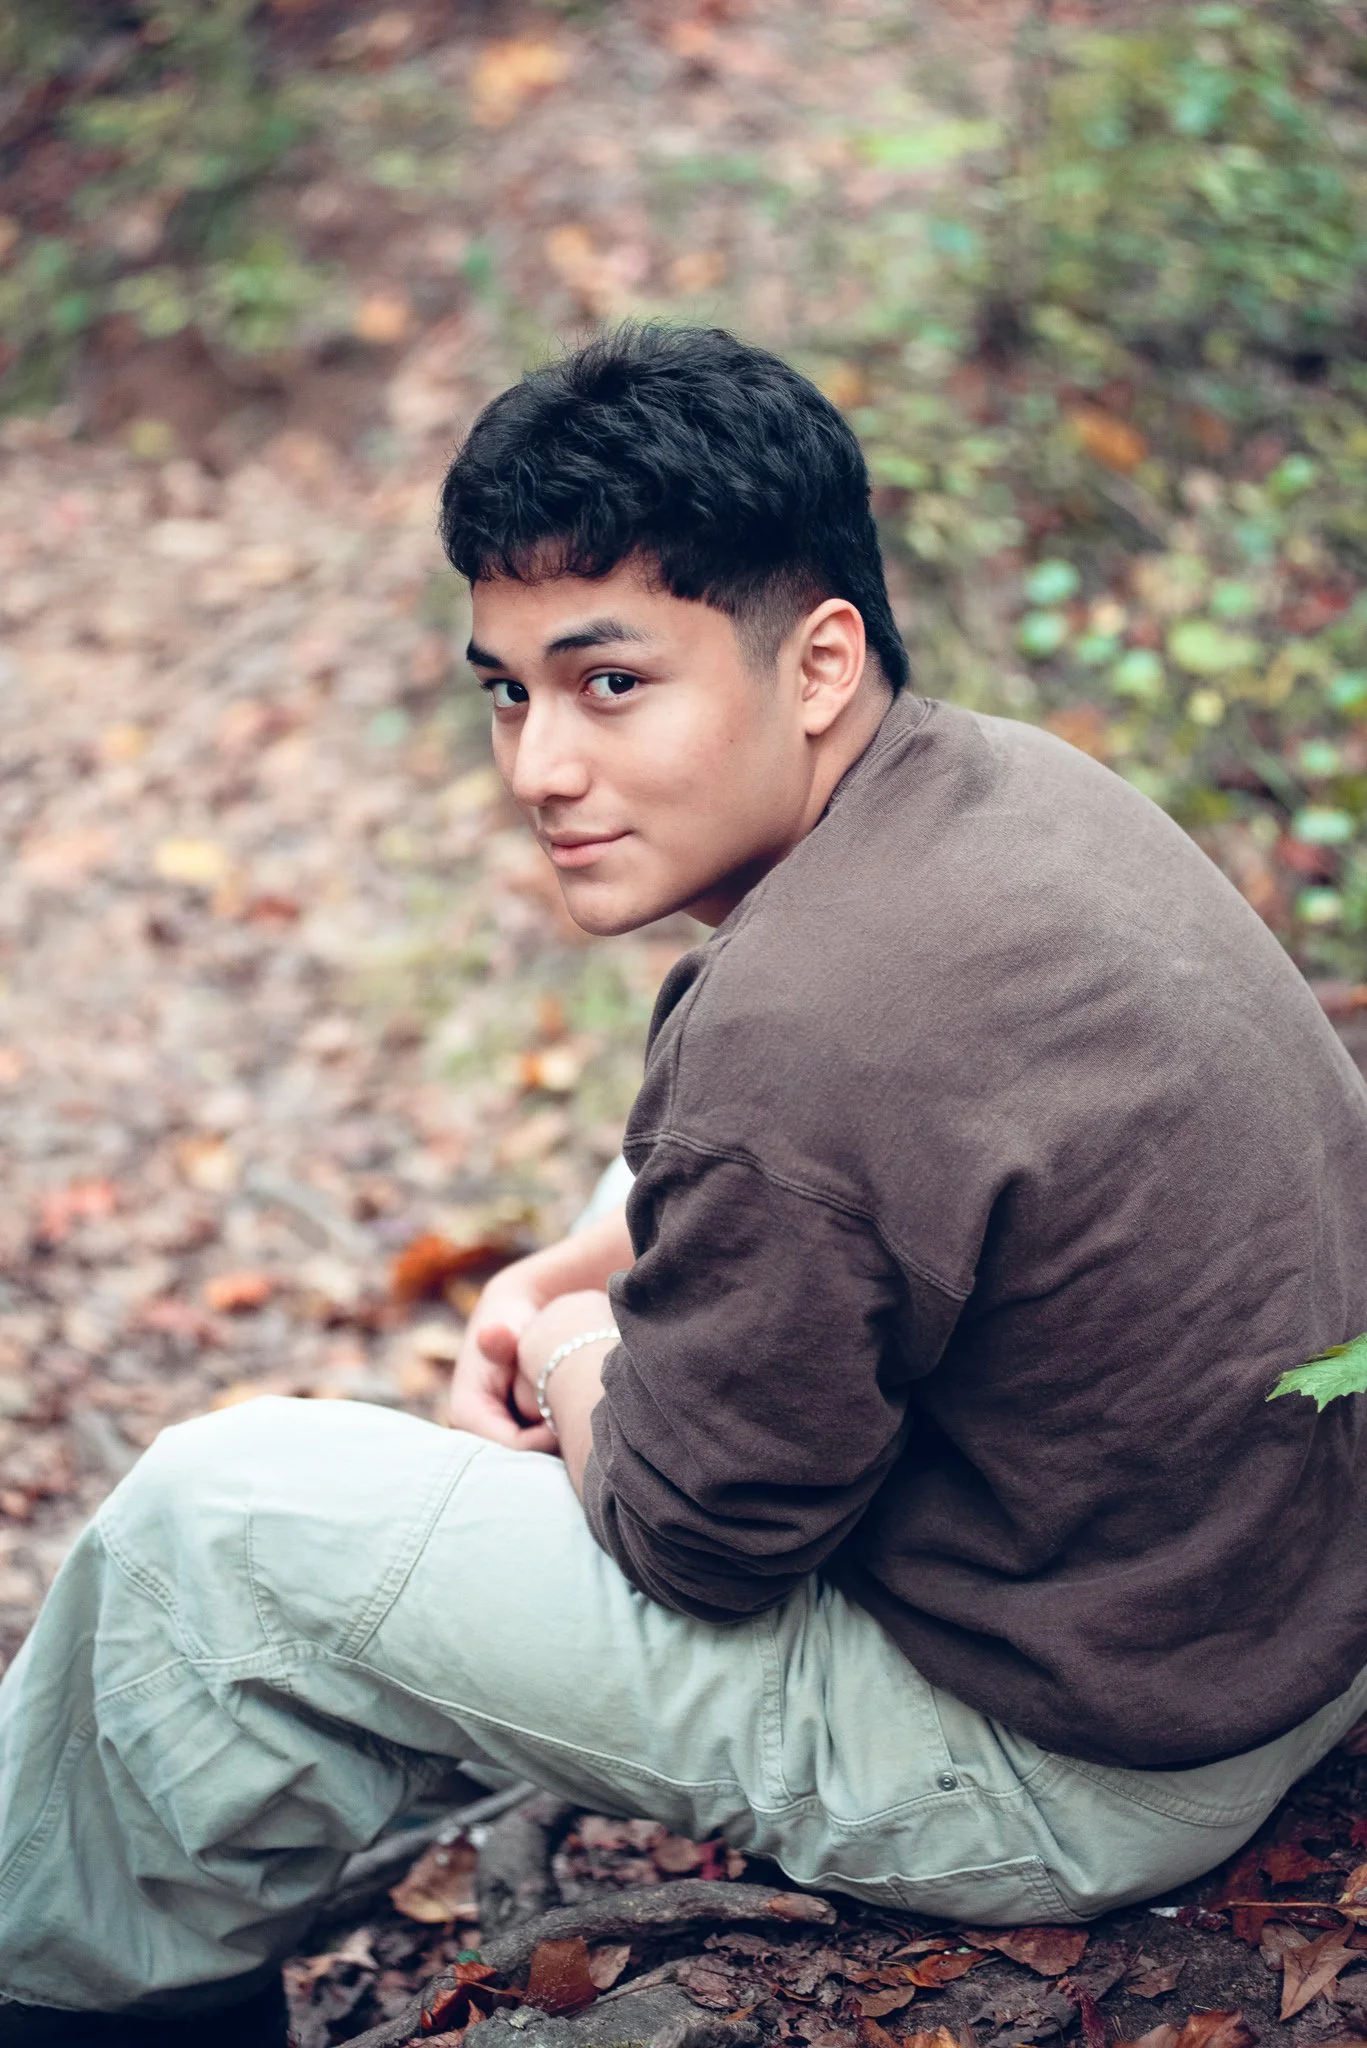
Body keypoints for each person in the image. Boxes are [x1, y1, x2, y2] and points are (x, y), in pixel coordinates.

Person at [2, 325, 1366, 2045]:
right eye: (508, 689)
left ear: (812, 663)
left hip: (1075, 1765)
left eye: (610, 683)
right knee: (673, 1140)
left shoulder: (804, 1027)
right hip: (1274, 1624)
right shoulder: (1007, 786)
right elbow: (809, 1162)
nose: (538, 769)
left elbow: (694, 1541)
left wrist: (569, 1345)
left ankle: (78, 2013)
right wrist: (583, 1257)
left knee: (215, 1527)